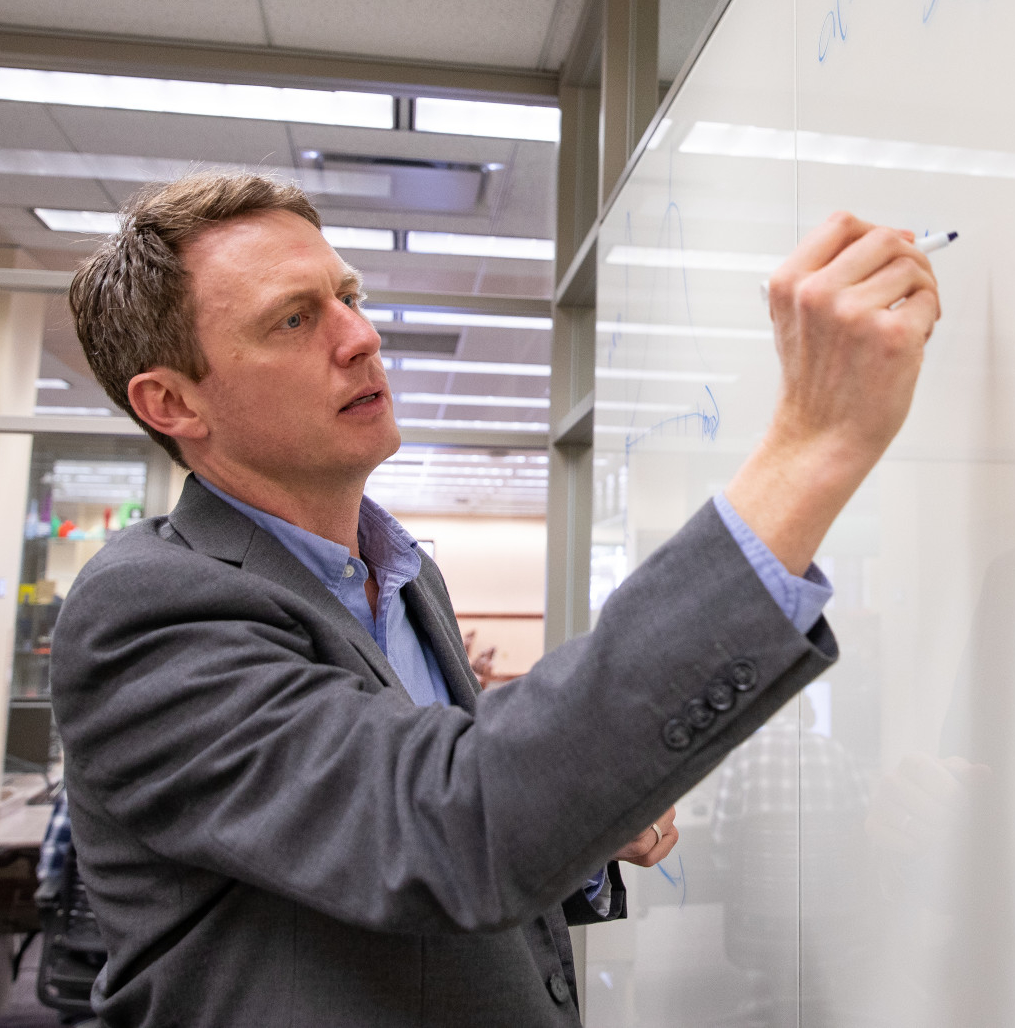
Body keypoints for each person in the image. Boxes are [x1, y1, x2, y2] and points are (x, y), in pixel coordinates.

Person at [49, 171, 940, 1027]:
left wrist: (578, 826)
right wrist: (811, 446)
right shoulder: (146, 610)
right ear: (172, 402)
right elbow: (445, 825)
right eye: (293, 318)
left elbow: (433, 850)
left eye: (346, 296)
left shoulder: (402, 575)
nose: (360, 336)